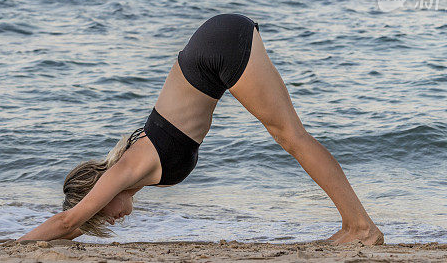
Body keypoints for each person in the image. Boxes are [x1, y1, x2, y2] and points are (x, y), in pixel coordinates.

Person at [19, 13, 383, 245]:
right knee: (290, 136)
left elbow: (68, 221)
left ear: (95, 192)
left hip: (217, 48)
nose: (110, 219)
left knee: (291, 137)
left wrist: (10, 245)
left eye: (100, 213)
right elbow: (72, 227)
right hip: (213, 47)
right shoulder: (134, 175)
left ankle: (360, 227)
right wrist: (55, 238)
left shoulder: (127, 168)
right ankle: (357, 225)